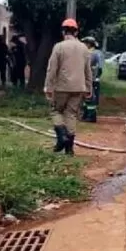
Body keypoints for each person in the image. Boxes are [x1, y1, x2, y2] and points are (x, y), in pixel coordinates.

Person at [45, 18, 92, 155]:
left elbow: (52, 69)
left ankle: (61, 137)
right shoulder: (84, 48)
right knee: (71, 114)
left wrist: (48, 87)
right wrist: (88, 88)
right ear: (76, 32)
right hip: (79, 87)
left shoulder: (59, 47)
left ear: (63, 31)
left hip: (61, 87)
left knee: (56, 111)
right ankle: (69, 149)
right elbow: (88, 70)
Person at [80, 36, 103, 123]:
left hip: (91, 79)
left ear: (89, 44)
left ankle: (91, 116)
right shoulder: (94, 53)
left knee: (90, 97)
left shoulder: (91, 54)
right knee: (87, 97)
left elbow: (88, 67)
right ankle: (86, 114)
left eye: (85, 43)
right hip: (92, 79)